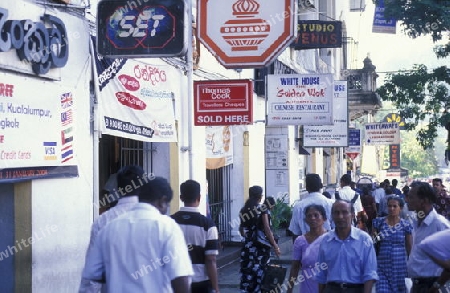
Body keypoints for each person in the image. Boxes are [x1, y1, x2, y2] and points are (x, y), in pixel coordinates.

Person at [81, 176, 193, 293]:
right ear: (162, 201)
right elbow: (181, 277)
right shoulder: (167, 227)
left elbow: (91, 275)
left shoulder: (108, 228)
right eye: (167, 205)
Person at [79, 165, 147, 292]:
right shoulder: (160, 222)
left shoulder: (102, 221)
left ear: (118, 188)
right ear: (144, 187)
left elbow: (93, 271)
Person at [316, 200, 378, 293]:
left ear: (352, 215)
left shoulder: (364, 240)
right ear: (332, 216)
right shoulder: (325, 241)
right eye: (336, 213)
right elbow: (321, 274)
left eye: (345, 212)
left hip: (356, 289)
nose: (340, 217)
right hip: (331, 289)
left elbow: (370, 273)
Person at [171, 180, 220, 293]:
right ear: (199, 197)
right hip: (200, 283)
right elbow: (211, 260)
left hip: (175, 281)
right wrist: (216, 287)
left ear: (181, 197)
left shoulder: (169, 222)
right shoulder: (208, 225)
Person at [406, 181, 450, 293]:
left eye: (411, 197)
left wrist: (436, 286)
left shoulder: (440, 224)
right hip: (418, 285)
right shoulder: (415, 221)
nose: (407, 200)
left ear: (423, 201)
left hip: (432, 286)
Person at [239, 186, 280, 292]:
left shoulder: (244, 210)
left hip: (248, 247)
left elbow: (242, 230)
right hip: (261, 247)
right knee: (261, 272)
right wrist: (275, 246)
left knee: (247, 272)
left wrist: (249, 237)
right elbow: (267, 228)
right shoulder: (262, 209)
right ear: (260, 197)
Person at [372, 196, 413, 293]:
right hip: (382, 265)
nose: (391, 209)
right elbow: (373, 243)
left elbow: (409, 246)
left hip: (400, 267)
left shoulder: (405, 225)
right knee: (382, 290)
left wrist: (411, 264)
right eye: (389, 206)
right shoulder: (379, 223)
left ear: (401, 208)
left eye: (395, 206)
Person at [287, 204, 328, 293]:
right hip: (307, 286)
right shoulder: (300, 241)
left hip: (327, 286)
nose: (313, 218)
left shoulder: (330, 239)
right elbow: (295, 267)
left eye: (316, 215)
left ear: (324, 219)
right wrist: (289, 290)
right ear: (306, 220)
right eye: (309, 216)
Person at [289, 174, 334, 241]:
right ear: (321, 186)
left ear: (306, 187)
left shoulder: (298, 206)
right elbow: (336, 228)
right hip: (328, 244)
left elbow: (295, 232)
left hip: (306, 245)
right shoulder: (331, 204)